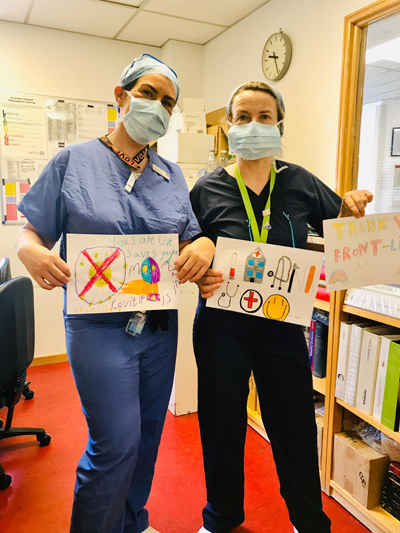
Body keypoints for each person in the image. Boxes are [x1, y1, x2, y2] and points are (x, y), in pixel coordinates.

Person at [16, 54, 215, 533]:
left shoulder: (171, 175)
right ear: (121, 95)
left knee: (147, 439)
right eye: (148, 93)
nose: (158, 107)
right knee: (115, 443)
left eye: (168, 102)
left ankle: (132, 522)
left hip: (159, 327)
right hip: (98, 329)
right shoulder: (74, 162)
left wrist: (204, 245)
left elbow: (188, 238)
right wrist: (30, 253)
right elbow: (31, 232)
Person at [190, 81, 373, 533]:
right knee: (221, 425)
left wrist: (352, 208)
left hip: (282, 324)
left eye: (264, 116)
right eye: (243, 117)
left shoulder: (300, 181)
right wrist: (200, 253)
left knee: (292, 427)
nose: (253, 125)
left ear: (279, 123)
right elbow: (185, 246)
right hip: (221, 327)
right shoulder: (206, 188)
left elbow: (343, 231)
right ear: (229, 127)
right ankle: (222, 518)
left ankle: (309, 523)